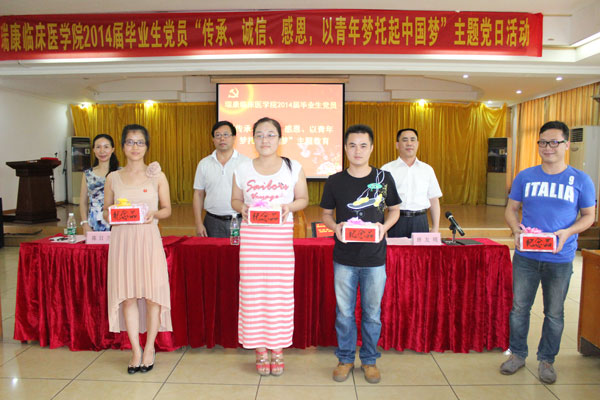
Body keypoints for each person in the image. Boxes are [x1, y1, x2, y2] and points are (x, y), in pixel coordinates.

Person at [500, 121, 596, 384]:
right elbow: (511, 209)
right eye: (543, 142)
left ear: (566, 144)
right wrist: (516, 230)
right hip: (526, 257)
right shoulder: (525, 176)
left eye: (554, 142)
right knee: (519, 308)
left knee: (554, 312)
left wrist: (568, 232)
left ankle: (547, 360)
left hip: (560, 258)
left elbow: (589, 216)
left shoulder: (581, 179)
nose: (548, 147)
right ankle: (517, 354)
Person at [320, 124, 401, 384]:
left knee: (372, 313)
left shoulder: (384, 178)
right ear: (345, 148)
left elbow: (395, 210)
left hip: (374, 258)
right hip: (344, 258)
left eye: (363, 145)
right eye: (352, 145)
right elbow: (326, 214)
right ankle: (345, 359)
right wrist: (335, 227)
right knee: (344, 313)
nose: (358, 150)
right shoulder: (334, 181)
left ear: (371, 148)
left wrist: (384, 228)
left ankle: (369, 360)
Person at [231, 117, 308, 376]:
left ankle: (278, 349)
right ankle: (260, 350)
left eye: (271, 134)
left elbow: (303, 199)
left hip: (280, 245)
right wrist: (242, 207)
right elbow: (235, 200)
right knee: (253, 296)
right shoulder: (242, 168)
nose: (265, 140)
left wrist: (288, 207)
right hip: (252, 244)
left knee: (279, 297)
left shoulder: (293, 167)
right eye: (260, 135)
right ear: (253, 139)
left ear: (280, 138)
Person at [104, 124, 173, 374]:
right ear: (122, 146)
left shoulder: (157, 176)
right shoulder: (113, 177)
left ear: (147, 146)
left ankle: (150, 347)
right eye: (130, 142)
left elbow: (167, 209)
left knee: (153, 296)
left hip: (148, 238)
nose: (135, 147)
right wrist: (115, 214)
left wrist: (154, 213)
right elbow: (106, 212)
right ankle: (135, 349)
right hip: (122, 241)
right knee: (128, 296)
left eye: (140, 142)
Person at [193, 121, 250, 237]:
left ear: (234, 138)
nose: (222, 139)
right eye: (218, 135)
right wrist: (198, 223)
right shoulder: (204, 163)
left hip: (239, 220)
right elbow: (198, 194)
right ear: (213, 139)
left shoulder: (246, 163)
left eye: (226, 135)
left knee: (239, 249)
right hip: (212, 221)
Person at [381, 128, 442, 237]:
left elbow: (434, 200)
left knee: (420, 249)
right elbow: (379, 203)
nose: (409, 143)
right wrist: (383, 227)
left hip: (420, 221)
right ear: (397, 145)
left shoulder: (427, 169)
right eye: (405, 140)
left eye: (412, 140)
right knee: (395, 249)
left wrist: (435, 228)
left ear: (417, 144)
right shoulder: (387, 169)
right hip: (395, 221)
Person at [79, 134, 119, 234]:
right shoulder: (88, 174)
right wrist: (85, 224)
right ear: (93, 150)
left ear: (112, 149)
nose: (102, 151)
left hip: (116, 223)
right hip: (94, 224)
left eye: (106, 147)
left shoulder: (120, 173)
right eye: (98, 147)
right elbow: (83, 201)